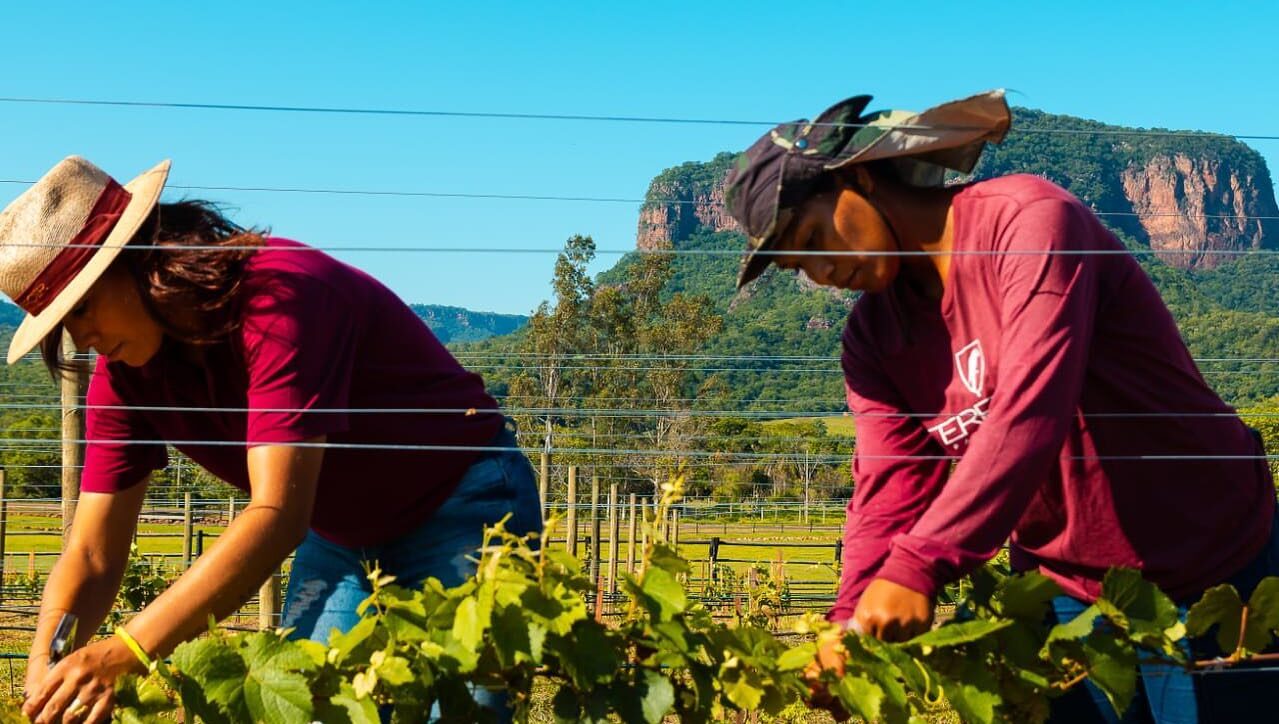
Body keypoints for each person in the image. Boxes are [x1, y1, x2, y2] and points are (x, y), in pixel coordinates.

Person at [723, 90, 1278, 722]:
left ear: (856, 178)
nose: (819, 274)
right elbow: (888, 485)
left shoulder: (1029, 220)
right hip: (1068, 586)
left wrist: (918, 567)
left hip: (1216, 555)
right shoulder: (874, 341)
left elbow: (1030, 408)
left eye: (814, 239)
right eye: (799, 266)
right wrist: (850, 617)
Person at [0, 156, 541, 723]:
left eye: (81, 306)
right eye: (61, 323)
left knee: (460, 713)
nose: (80, 337)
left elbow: (278, 513)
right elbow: (91, 551)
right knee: (307, 711)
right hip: (342, 536)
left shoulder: (278, 298)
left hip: (461, 501)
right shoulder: (123, 379)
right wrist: (48, 661)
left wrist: (128, 650)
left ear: (138, 260)